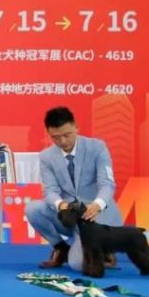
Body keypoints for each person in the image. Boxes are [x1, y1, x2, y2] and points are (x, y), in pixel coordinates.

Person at [27, 106, 121, 271]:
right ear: (48, 133)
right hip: (70, 216)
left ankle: (103, 249)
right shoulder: (46, 157)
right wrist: (60, 205)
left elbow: (107, 183)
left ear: (76, 127)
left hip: (97, 218)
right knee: (33, 209)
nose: (63, 141)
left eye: (67, 135)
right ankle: (61, 248)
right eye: (56, 137)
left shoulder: (97, 147)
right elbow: (50, 191)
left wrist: (98, 204)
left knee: (77, 265)